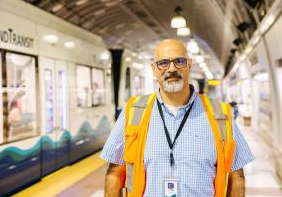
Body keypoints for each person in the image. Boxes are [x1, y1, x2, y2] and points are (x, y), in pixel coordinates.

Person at [101, 39, 254, 197]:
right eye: (163, 63)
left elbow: (237, 177)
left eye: (179, 61)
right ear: (154, 69)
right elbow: (114, 174)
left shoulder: (221, 114)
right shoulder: (133, 112)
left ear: (189, 65)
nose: (172, 68)